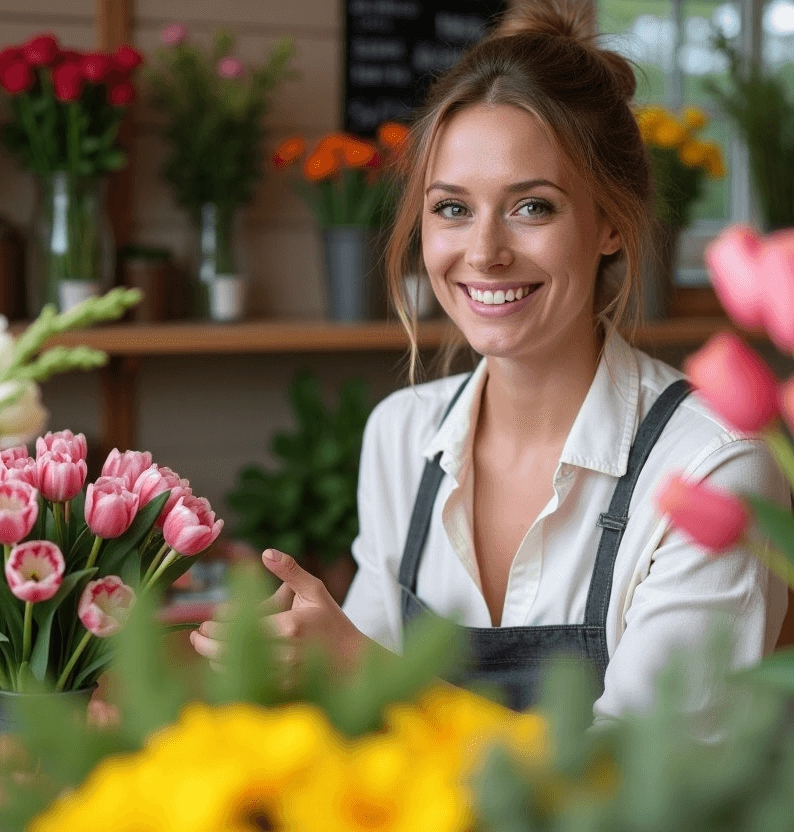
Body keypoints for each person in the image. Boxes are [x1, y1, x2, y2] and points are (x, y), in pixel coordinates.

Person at [191, 0, 790, 725]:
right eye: (451, 209)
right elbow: (360, 725)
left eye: (532, 207)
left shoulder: (711, 467)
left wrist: (358, 664)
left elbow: (638, 783)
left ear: (609, 223)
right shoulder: (401, 436)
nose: (483, 252)